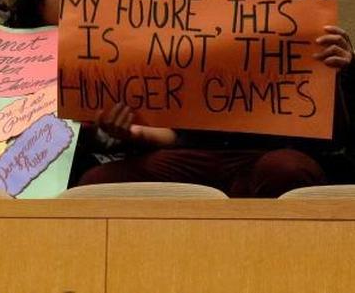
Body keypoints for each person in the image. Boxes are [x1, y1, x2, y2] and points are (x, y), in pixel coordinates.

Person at [73, 25, 353, 198]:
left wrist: (343, 71)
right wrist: (134, 131)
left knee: (286, 169)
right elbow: (175, 136)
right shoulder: (179, 23)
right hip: (189, 155)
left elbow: (336, 137)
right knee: (96, 183)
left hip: (268, 153)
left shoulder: (299, 22)